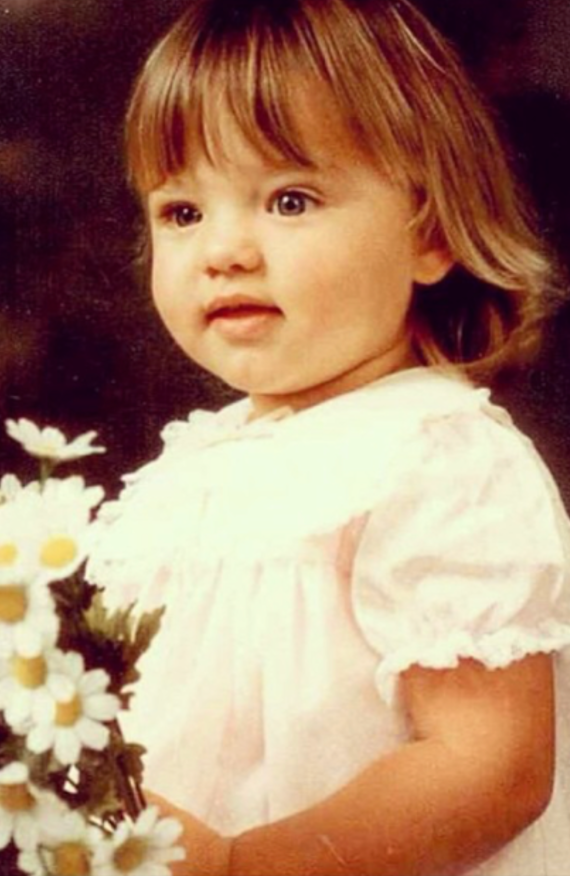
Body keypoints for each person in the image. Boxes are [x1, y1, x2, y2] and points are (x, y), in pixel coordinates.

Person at [88, 0, 570, 873]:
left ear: (428, 234)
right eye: (182, 213)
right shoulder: (188, 472)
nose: (224, 250)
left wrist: (241, 866)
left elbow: (490, 766)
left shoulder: (432, 459)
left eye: (290, 199)